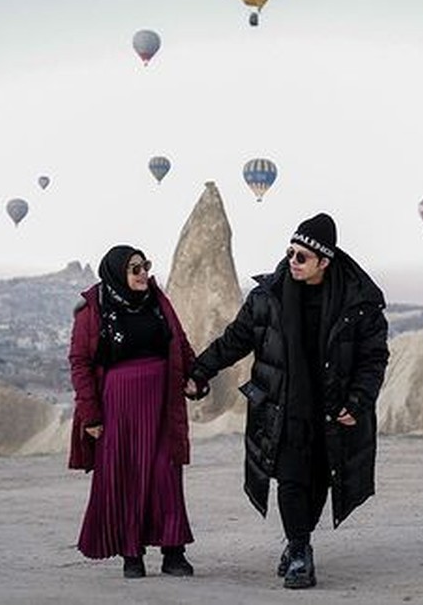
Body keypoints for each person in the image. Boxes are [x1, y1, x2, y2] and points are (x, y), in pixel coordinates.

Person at [185, 213, 389, 589]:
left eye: (301, 257)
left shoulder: (359, 301)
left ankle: (299, 539)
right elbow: (235, 340)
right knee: (291, 478)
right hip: (283, 404)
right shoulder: (268, 297)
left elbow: (373, 358)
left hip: (331, 407)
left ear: (324, 261)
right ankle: (299, 551)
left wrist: (359, 398)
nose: (292, 261)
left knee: (320, 480)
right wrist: (199, 372)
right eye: (289, 253)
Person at [68, 245, 197, 579]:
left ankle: (173, 551)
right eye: (134, 269)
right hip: (118, 406)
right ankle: (131, 554)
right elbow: (80, 363)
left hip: (162, 402)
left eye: (145, 266)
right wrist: (90, 415)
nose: (143, 274)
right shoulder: (93, 309)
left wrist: (195, 377)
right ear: (116, 273)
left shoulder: (157, 301)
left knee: (165, 473)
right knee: (126, 476)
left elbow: (179, 341)